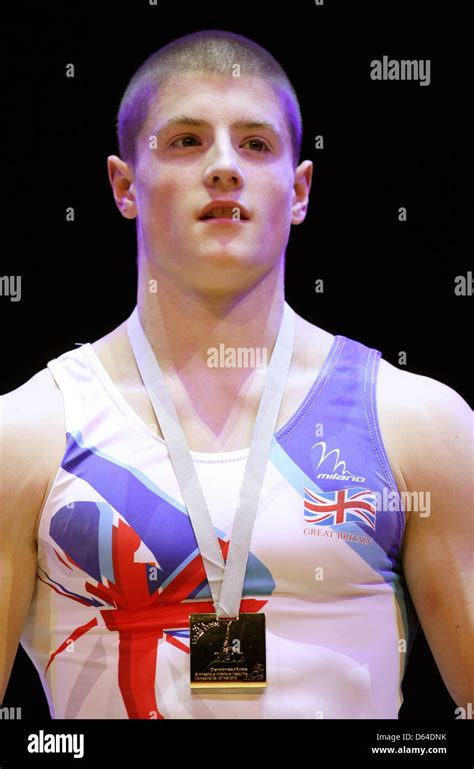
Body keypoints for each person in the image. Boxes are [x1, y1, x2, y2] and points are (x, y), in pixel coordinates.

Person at [0, 29, 472, 720]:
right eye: (186, 141)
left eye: (255, 144)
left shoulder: (419, 422)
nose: (224, 167)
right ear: (123, 185)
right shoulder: (27, 432)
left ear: (299, 189)